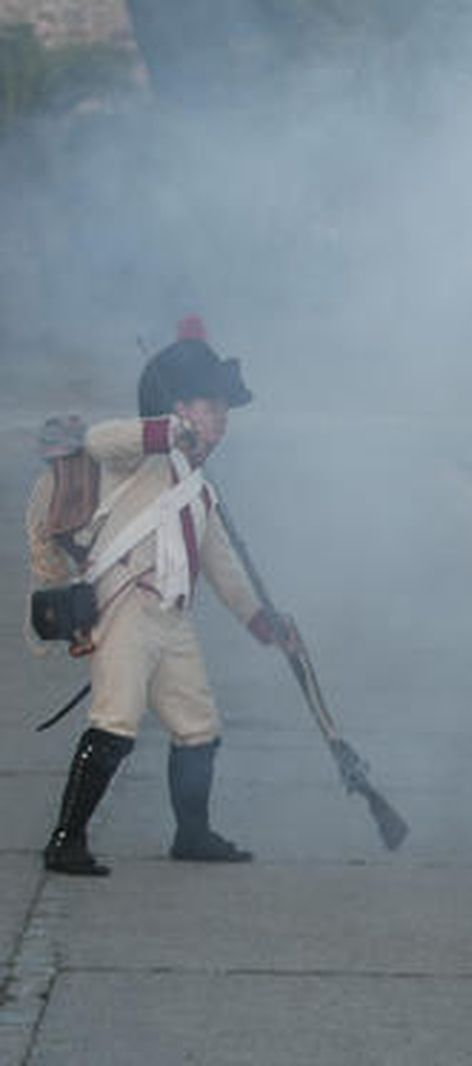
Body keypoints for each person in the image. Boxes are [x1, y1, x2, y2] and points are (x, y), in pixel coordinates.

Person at [39, 318, 295, 876]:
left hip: (172, 622)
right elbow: (101, 439)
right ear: (179, 409)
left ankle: (193, 834)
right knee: (114, 721)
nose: (222, 420)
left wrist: (261, 622)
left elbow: (224, 568)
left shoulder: (200, 491)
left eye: (222, 411)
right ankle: (66, 839)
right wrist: (163, 432)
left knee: (198, 724)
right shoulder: (144, 456)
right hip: (127, 610)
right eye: (211, 408)